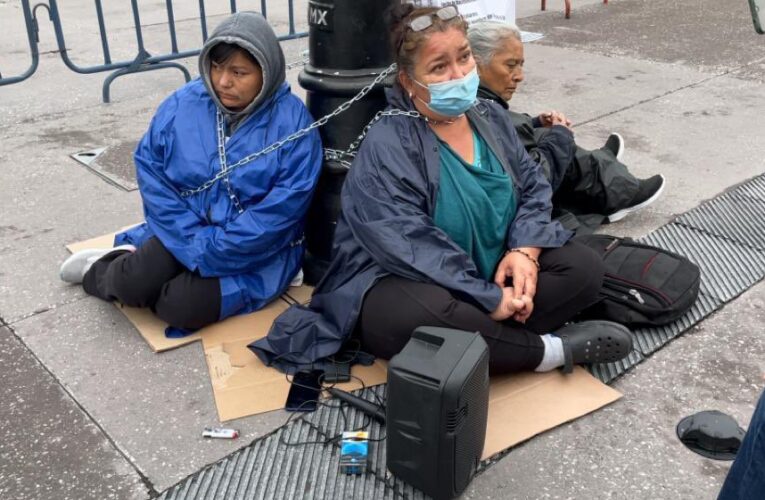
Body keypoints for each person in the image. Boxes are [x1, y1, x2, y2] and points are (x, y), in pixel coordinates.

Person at [252, 4, 633, 375]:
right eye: (439, 67)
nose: (458, 74)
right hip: (416, 283)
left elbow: (533, 187)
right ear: (407, 81)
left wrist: (524, 251)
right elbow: (412, 246)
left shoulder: (490, 116)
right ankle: (546, 351)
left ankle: (486, 343)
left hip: (492, 270)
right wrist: (488, 298)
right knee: (410, 316)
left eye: (464, 58)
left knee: (583, 268)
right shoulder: (390, 143)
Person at [59, 12, 322, 330]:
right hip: (186, 231)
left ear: (266, 72)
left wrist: (212, 249)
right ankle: (99, 269)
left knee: (179, 307)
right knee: (133, 285)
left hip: (256, 251)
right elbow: (152, 172)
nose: (224, 82)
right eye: (217, 67)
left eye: (239, 72)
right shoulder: (183, 104)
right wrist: (192, 239)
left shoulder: (294, 126)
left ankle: (150, 263)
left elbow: (279, 213)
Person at [467, 20, 665, 232]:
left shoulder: (472, 102)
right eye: (510, 65)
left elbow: (509, 135)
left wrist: (533, 123)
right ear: (477, 64)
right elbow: (536, 180)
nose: (520, 76)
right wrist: (560, 137)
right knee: (554, 142)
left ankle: (603, 164)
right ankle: (618, 191)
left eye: (521, 64)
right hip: (510, 215)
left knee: (543, 133)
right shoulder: (478, 111)